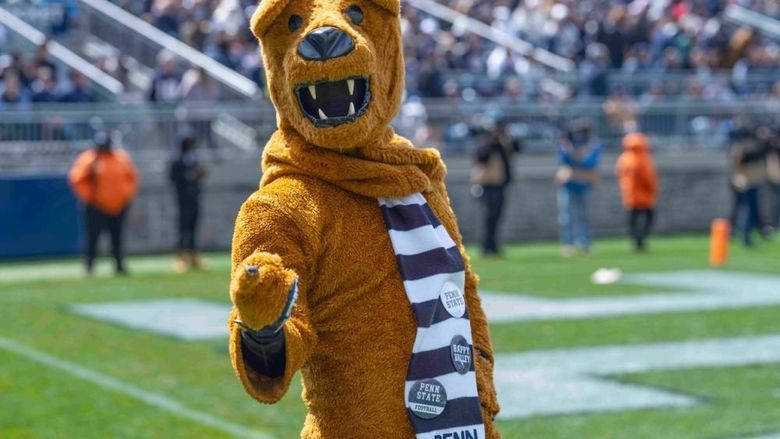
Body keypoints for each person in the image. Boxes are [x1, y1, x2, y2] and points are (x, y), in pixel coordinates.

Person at [68, 131, 139, 275]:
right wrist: (91, 197)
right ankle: (89, 266)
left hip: (118, 205)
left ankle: (119, 265)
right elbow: (77, 179)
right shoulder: (89, 158)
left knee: (117, 237)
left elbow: (132, 178)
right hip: (96, 206)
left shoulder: (120, 158)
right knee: (93, 238)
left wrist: (126, 196)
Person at [471, 113, 522, 256]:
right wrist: (491, 140)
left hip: (500, 185)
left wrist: (507, 138)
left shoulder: (503, 143)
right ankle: (486, 246)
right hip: (487, 185)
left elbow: (517, 148)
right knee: (489, 216)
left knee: (497, 216)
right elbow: (481, 157)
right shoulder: (484, 141)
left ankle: (493, 245)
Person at [556, 119, 602, 256]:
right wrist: (568, 147)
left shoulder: (593, 144)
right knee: (566, 217)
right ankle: (568, 243)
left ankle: (584, 243)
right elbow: (565, 159)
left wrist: (576, 156)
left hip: (583, 184)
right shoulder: (569, 145)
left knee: (583, 216)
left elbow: (589, 162)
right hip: (569, 185)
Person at [169, 135, 208, 272]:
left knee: (193, 227)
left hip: (194, 197)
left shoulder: (193, 159)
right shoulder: (177, 160)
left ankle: (193, 257)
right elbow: (174, 177)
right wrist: (192, 175)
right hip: (183, 199)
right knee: (183, 228)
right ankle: (180, 257)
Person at [616, 133, 658, 252]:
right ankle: (641, 239)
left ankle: (637, 240)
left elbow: (620, 175)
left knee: (633, 221)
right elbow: (648, 178)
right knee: (648, 219)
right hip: (644, 195)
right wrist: (652, 189)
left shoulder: (624, 158)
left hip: (630, 195)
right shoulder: (642, 158)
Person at [730, 122, 767, 247]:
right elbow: (743, 161)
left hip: (749, 182)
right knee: (748, 210)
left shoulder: (743, 146)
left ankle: (754, 232)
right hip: (747, 182)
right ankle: (745, 235)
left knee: (749, 210)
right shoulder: (745, 147)